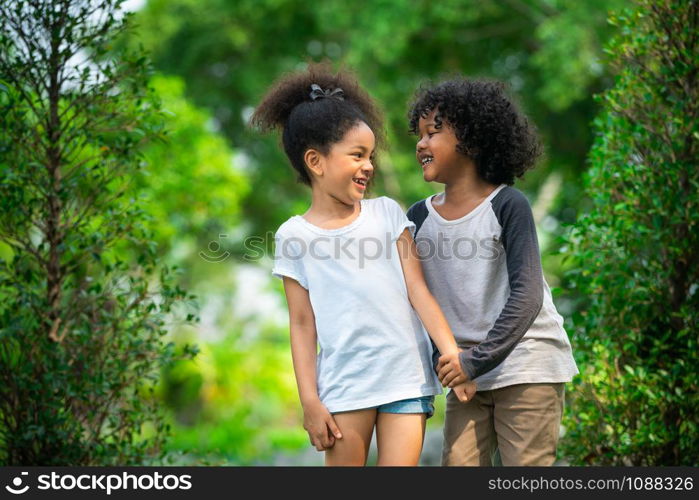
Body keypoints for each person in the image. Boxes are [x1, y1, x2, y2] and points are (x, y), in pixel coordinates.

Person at [251, 63, 475, 466]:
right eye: (357, 155)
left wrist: (451, 354)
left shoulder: (388, 214)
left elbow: (418, 292)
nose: (368, 166)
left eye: (370, 155)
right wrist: (310, 402)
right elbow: (302, 324)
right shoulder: (294, 236)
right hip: (344, 387)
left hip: (405, 378)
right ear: (316, 162)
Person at [406, 78, 579, 466]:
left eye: (433, 132)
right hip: (465, 370)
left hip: (526, 363)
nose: (421, 144)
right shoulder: (417, 218)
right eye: (418, 135)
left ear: (472, 140)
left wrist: (474, 360)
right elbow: (417, 298)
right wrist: (451, 361)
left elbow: (529, 295)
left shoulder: (507, 204)